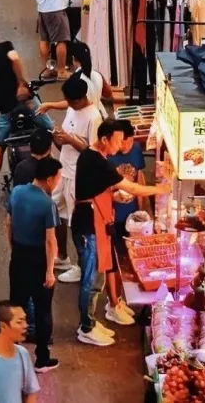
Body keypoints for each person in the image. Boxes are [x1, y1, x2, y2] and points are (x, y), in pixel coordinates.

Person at [72, 119, 167, 345]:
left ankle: (93, 320)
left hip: (96, 222)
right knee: (91, 280)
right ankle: (86, 327)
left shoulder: (91, 156)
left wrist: (114, 196)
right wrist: (161, 188)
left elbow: (93, 189)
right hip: (88, 227)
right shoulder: (99, 162)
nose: (119, 145)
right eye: (116, 141)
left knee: (98, 276)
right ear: (104, 139)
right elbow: (132, 187)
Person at [0, 21, 49, 205]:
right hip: (27, 102)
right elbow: (15, 59)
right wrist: (22, 83)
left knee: (0, 145)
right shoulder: (6, 46)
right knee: (50, 130)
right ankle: (60, 172)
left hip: (6, 109)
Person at [37, 73, 101, 282]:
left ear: (81, 98)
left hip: (77, 177)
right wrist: (57, 136)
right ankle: (62, 256)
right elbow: (64, 142)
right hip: (62, 171)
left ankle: (82, 267)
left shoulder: (94, 117)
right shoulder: (72, 109)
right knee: (56, 212)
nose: (69, 105)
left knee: (77, 224)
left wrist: (70, 139)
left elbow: (93, 152)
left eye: (71, 101)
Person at [6, 157, 61, 374]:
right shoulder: (48, 204)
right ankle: (42, 359)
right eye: (58, 178)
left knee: (16, 306)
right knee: (42, 311)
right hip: (39, 260)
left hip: (19, 256)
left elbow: (8, 223)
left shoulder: (17, 192)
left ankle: (11, 353)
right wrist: (50, 271)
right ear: (49, 179)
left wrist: (14, 248)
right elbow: (50, 241)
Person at [108, 119, 147, 234]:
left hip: (132, 212)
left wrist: (141, 209)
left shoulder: (136, 149)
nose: (130, 146)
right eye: (126, 142)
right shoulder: (107, 155)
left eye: (131, 141)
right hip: (113, 214)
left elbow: (140, 177)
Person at [67, 39, 113, 117]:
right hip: (99, 115)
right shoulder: (98, 74)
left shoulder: (74, 79)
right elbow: (108, 93)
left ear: (73, 59)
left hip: (83, 118)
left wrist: (50, 105)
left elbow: (72, 103)